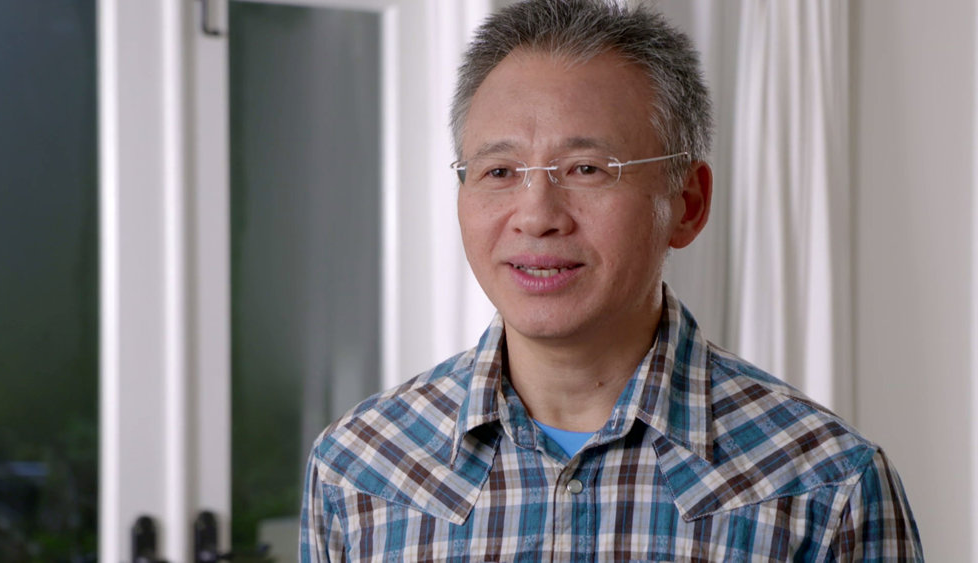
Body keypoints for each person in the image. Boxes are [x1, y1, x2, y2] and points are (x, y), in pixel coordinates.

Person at [301, 0, 922, 560]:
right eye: (500, 171)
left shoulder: (826, 484)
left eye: (587, 168)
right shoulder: (359, 470)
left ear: (688, 203)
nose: (537, 216)